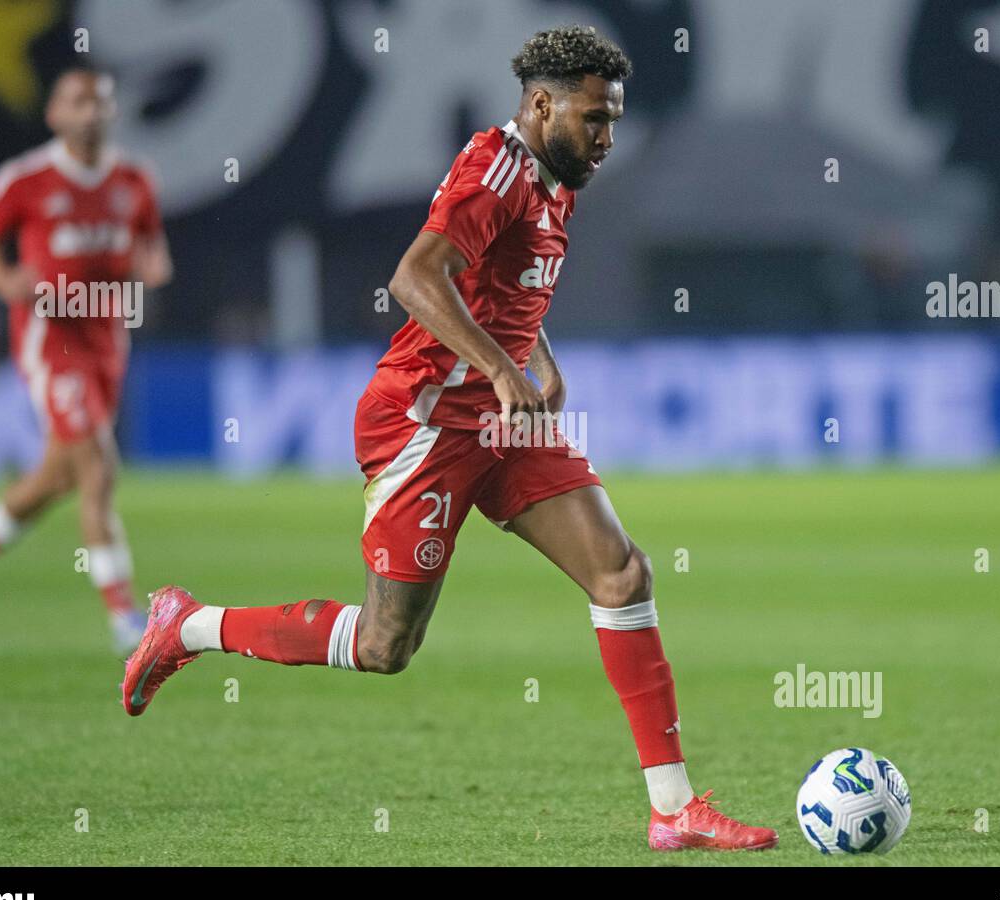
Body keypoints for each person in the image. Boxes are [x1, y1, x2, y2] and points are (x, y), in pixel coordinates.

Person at [122, 26, 776, 851]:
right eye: (593, 119)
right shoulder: (493, 169)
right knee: (383, 644)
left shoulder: (558, 173)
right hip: (423, 423)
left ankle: (674, 809)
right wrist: (504, 368)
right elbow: (416, 276)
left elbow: (504, 284)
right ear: (540, 106)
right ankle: (189, 626)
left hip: (502, 421)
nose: (607, 137)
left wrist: (538, 359)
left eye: (612, 119)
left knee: (621, 573)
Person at [0, 68, 172, 652]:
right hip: (52, 338)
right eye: (78, 101)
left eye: (100, 102)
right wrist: (6, 281)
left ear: (112, 113)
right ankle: (124, 616)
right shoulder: (26, 179)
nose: (90, 111)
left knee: (59, 473)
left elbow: (150, 241)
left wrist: (153, 265)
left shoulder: (135, 179)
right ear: (54, 114)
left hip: (106, 335)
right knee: (99, 466)